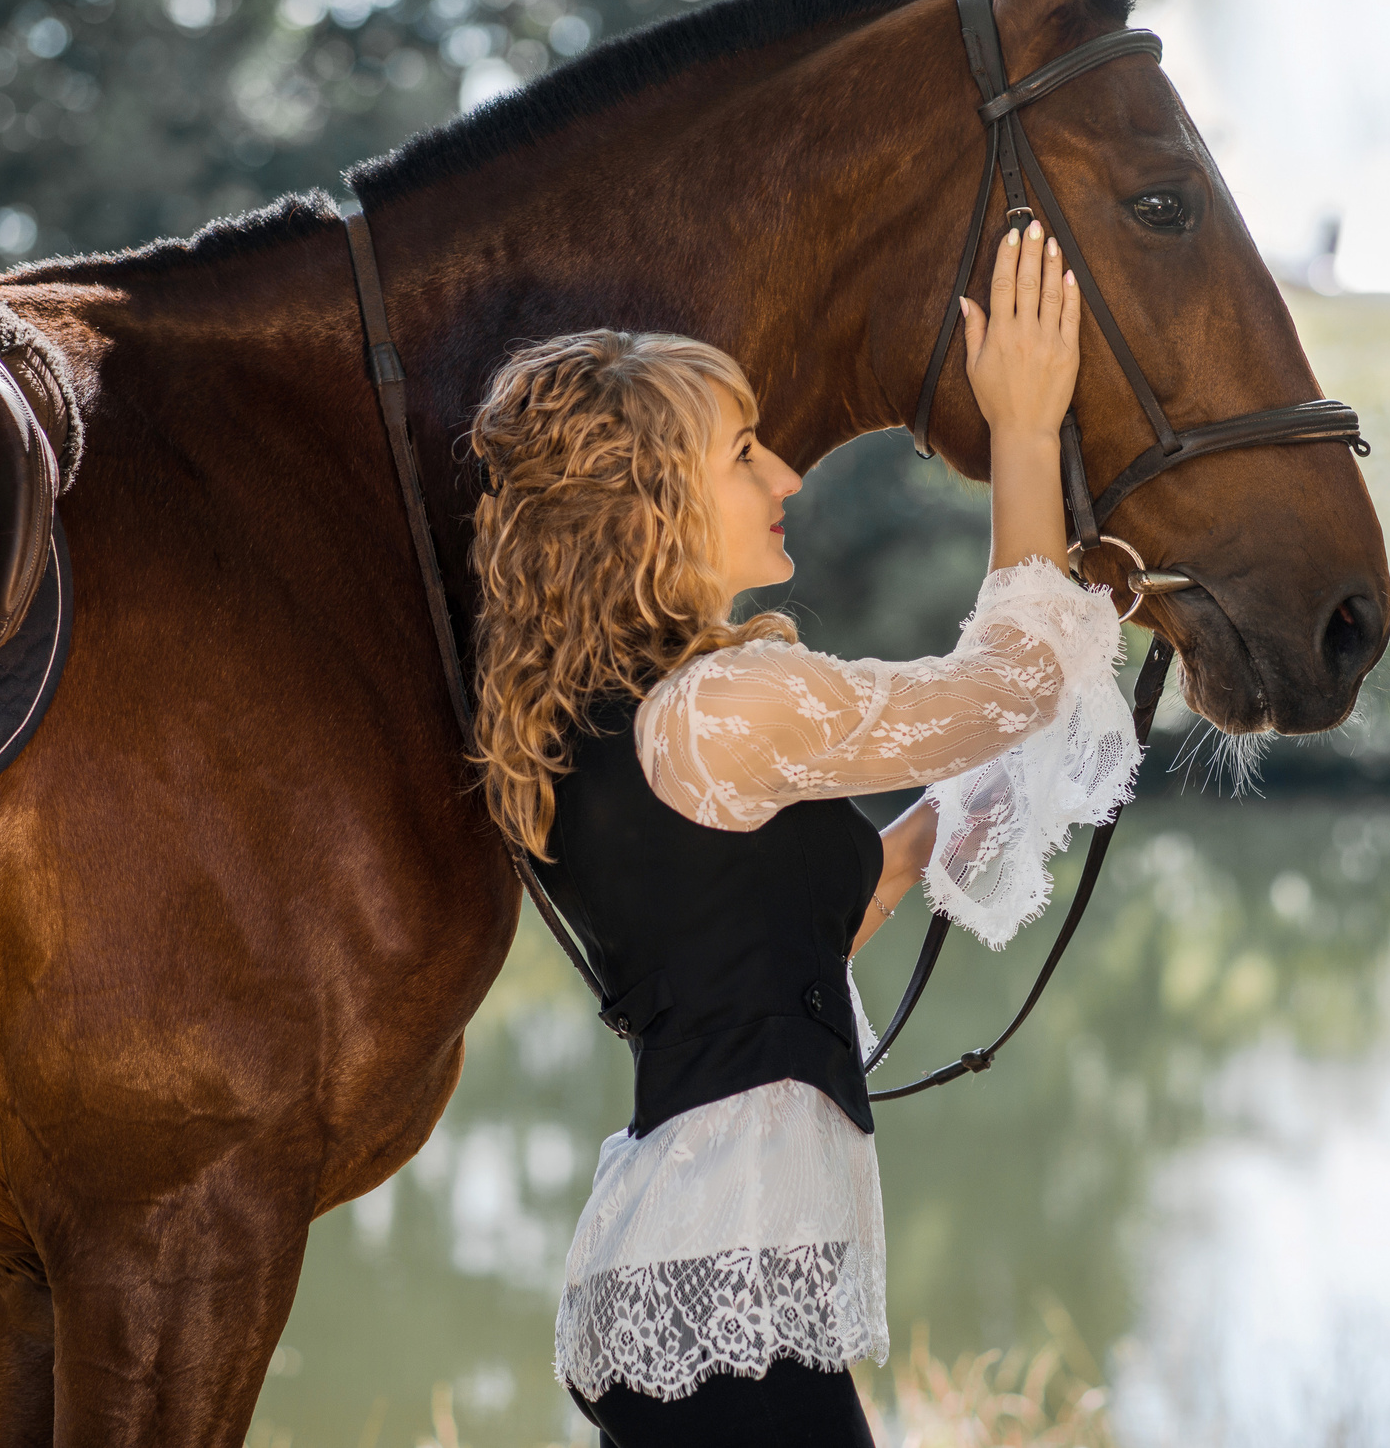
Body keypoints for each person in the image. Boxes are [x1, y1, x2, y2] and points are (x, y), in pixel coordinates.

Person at [466, 224, 1141, 1447]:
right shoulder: (720, 710)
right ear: (648, 504)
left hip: (694, 1271)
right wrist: (1025, 426)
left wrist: (1038, 734)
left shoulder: (610, 720)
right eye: (740, 451)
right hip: (725, 1275)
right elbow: (1005, 683)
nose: (786, 475)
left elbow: (856, 881)